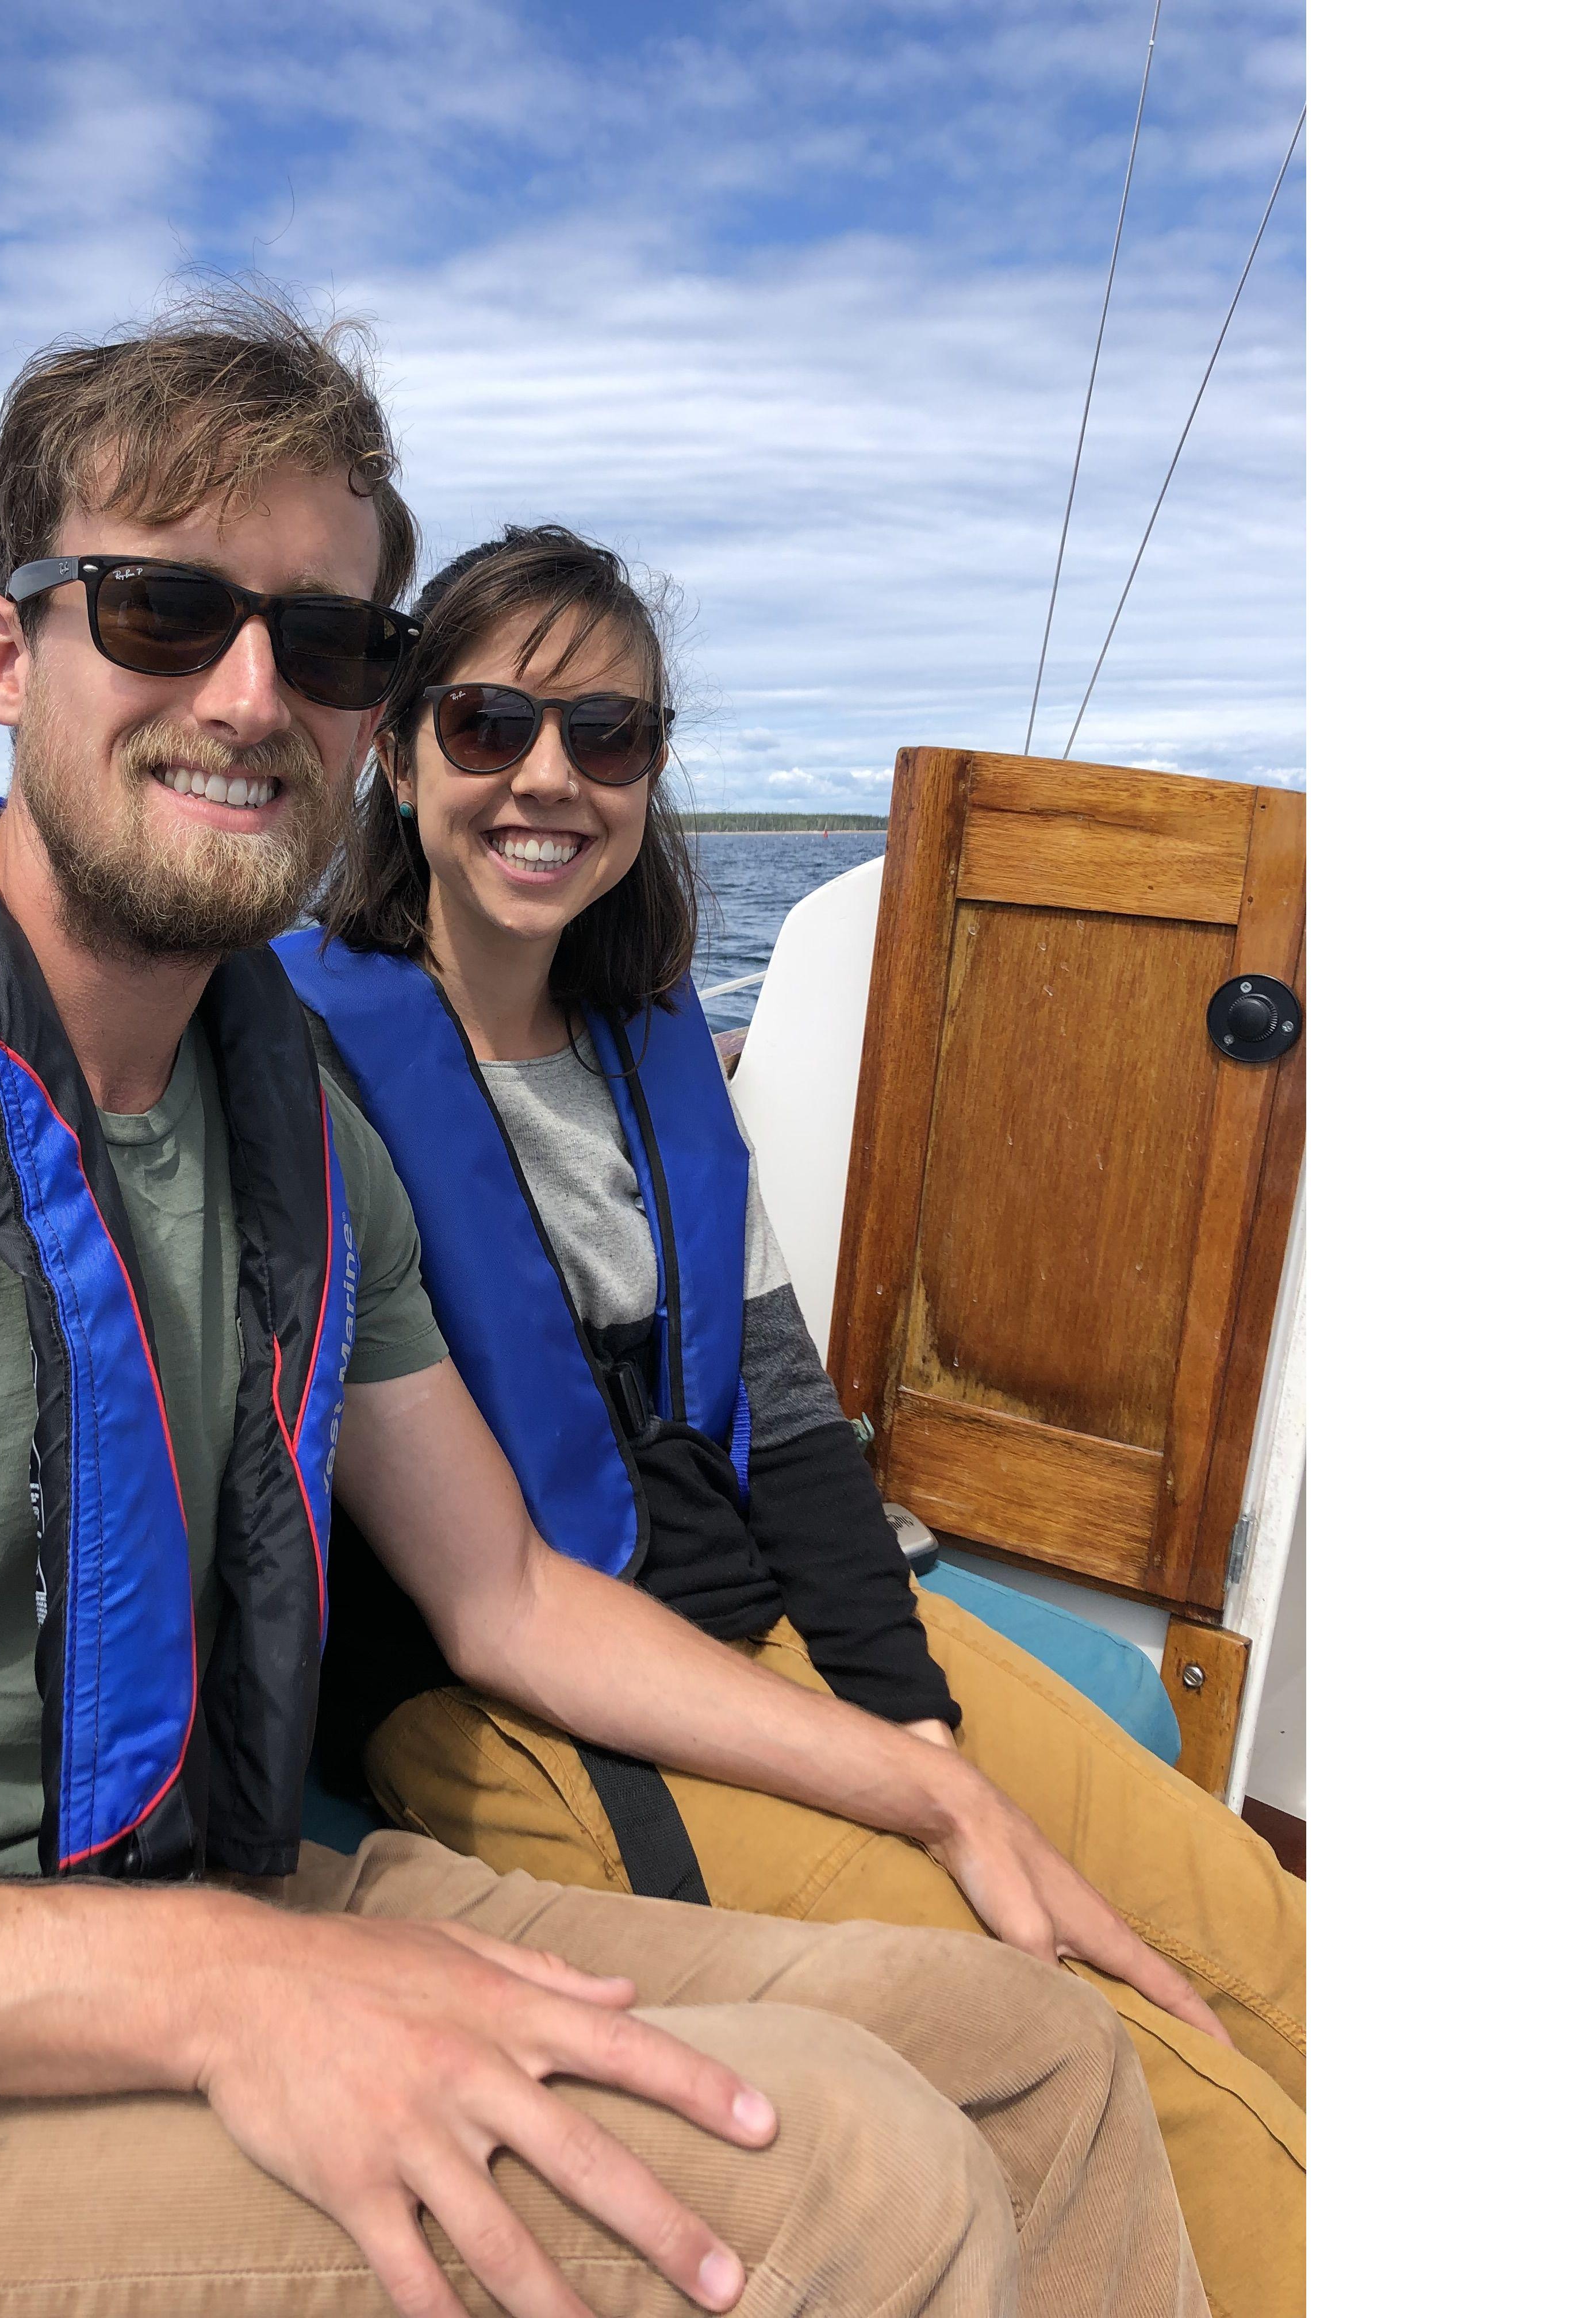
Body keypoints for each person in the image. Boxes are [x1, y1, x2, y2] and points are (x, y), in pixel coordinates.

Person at [0, 296, 1211, 2318]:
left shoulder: (302, 1131)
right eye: (166, 612)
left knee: (1034, 2060)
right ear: (9, 656)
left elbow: (506, 1591)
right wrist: (209, 1979)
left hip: (215, 1899)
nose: (255, 696)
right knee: (852, 2182)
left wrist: (925, 1771)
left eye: (330, 642)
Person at [280, 525, 1307, 2318]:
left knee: (1242, 1916)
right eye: (489, 721)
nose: (548, 778)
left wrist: (911, 1708)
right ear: (395, 747)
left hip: (757, 1613)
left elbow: (782, 1405)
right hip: (520, 1711)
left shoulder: (653, 1038)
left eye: (608, 737)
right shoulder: (299, 1065)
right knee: (1141, 2053)